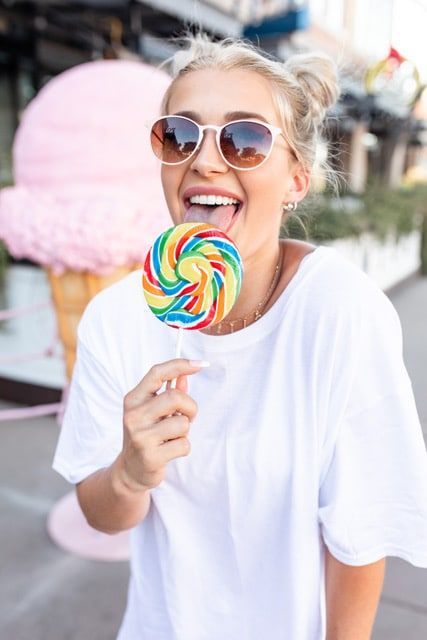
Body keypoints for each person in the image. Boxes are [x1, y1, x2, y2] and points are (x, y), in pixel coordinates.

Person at [52, 34, 427, 640]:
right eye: (180, 134)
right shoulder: (117, 318)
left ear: (296, 180)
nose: (203, 161)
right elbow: (106, 517)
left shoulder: (342, 313)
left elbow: (360, 537)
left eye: (245, 140)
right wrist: (130, 472)